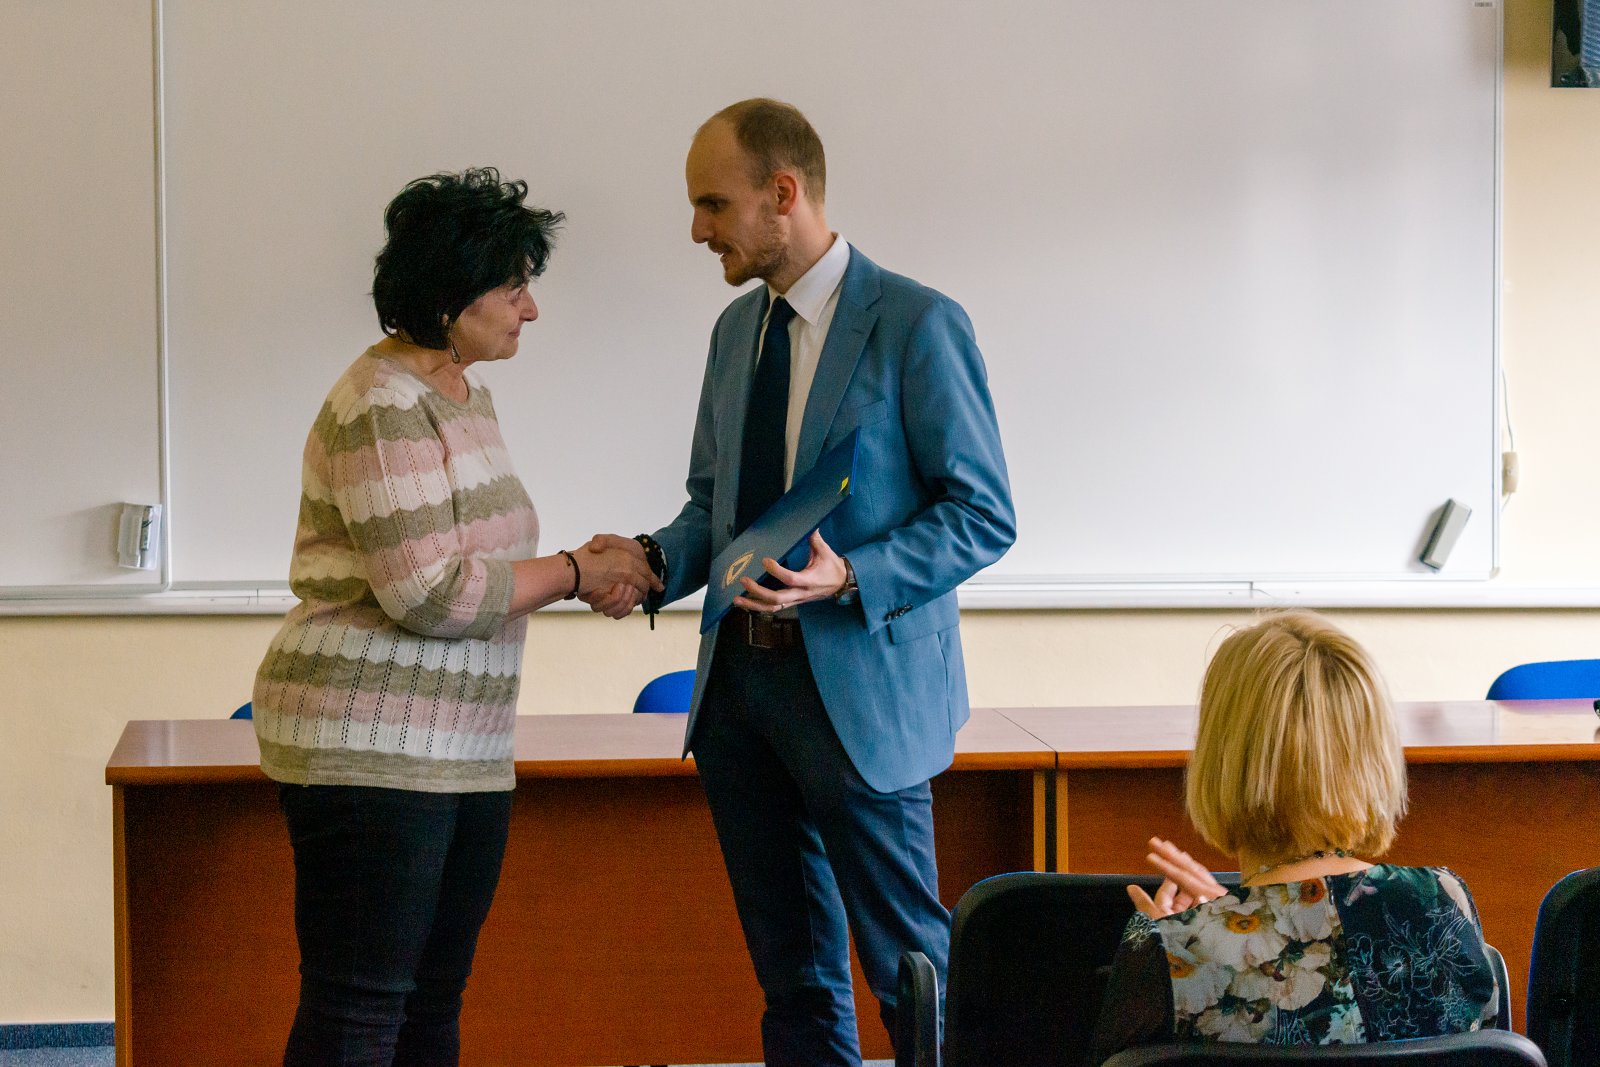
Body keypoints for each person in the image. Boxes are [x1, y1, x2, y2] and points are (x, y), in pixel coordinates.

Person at [585, 98, 1015, 1065]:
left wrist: (852, 573)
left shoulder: (918, 323)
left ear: (784, 194)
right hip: (739, 694)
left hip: (862, 694)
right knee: (795, 982)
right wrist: (651, 563)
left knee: (913, 973)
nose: (697, 230)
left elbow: (983, 513)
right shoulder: (735, 331)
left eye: (712, 204)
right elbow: (715, 510)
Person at [251, 167, 660, 1067]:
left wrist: (588, 568)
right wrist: (574, 571)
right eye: (514, 287)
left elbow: (479, 566)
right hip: (370, 746)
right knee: (360, 1010)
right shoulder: (382, 405)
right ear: (450, 294)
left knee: (432, 1002)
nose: (531, 308)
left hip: (461, 748)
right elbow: (429, 592)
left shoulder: (466, 398)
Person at [1091, 611, 1498, 1062]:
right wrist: (1235, 927)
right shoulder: (1444, 901)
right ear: (1374, 754)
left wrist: (1192, 940)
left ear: (1221, 757)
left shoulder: (1166, 952)